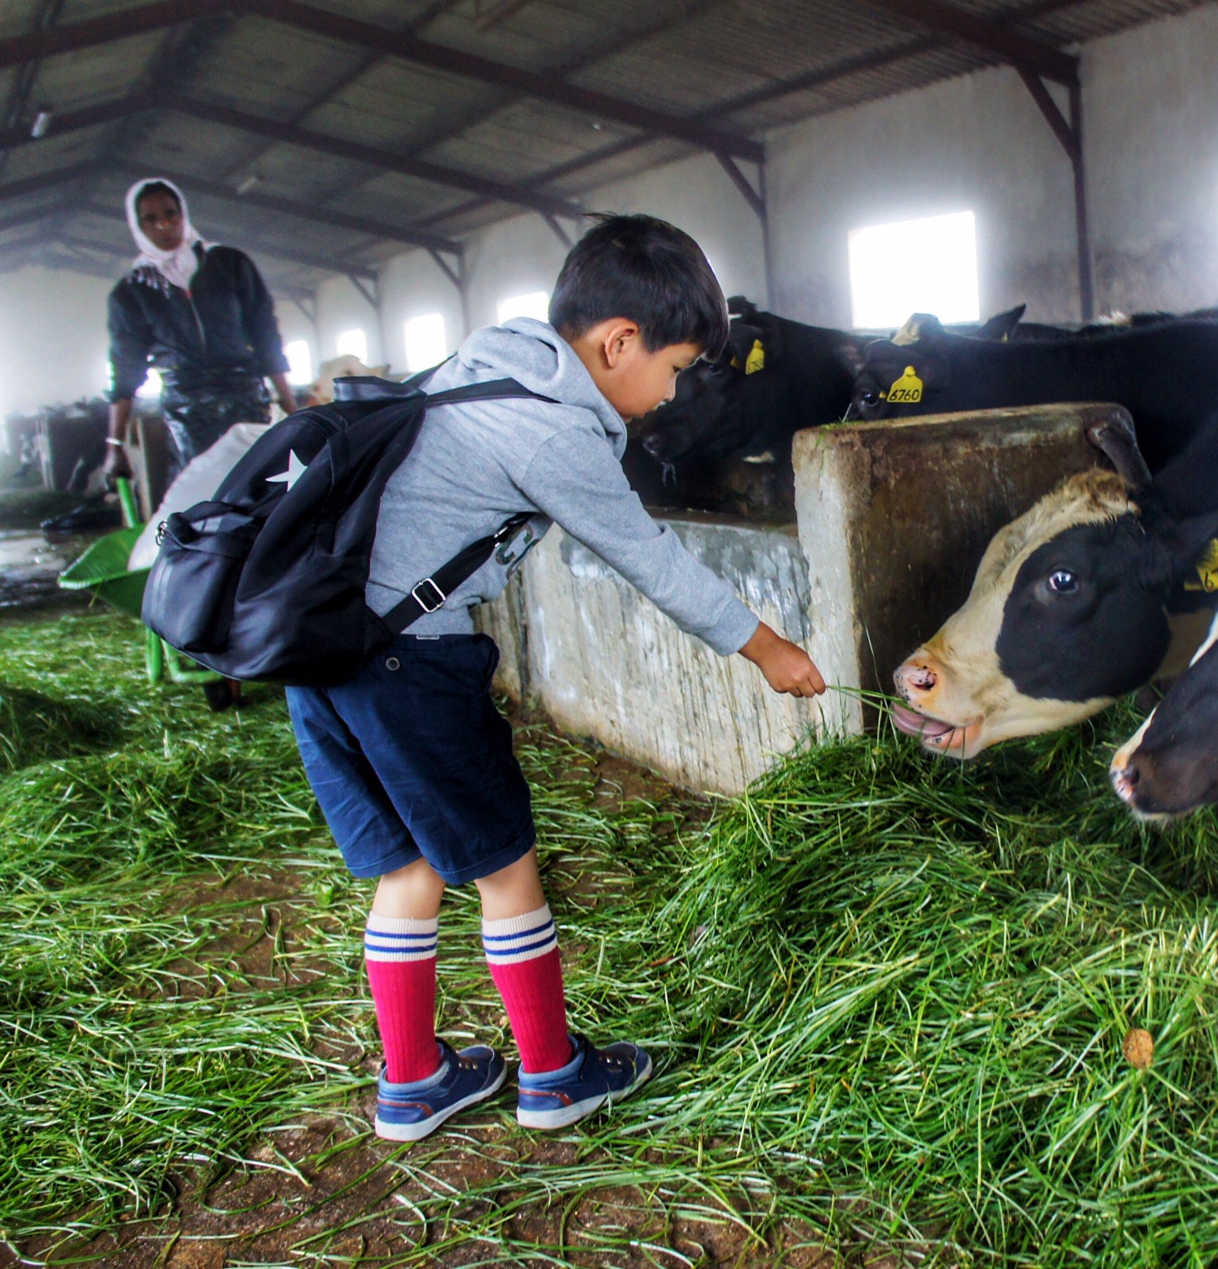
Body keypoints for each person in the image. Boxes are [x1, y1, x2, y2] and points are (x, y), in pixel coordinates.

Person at [284, 214, 827, 1143]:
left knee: (406, 868)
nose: (667, 395)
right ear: (618, 343)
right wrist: (767, 646)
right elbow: (649, 556)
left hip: (322, 648)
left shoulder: (491, 362)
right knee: (504, 869)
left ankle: (412, 1081)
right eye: (674, 368)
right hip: (410, 661)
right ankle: (553, 1073)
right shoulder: (554, 434)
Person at [104, 177, 297, 485]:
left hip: (246, 397)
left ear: (183, 214)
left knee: (266, 485)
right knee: (206, 493)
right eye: (150, 220)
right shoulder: (132, 291)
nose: (164, 226)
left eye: (171, 214)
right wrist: (114, 446)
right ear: (138, 227)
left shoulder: (230, 264)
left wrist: (291, 406)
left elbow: (265, 335)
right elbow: (126, 367)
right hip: (188, 409)